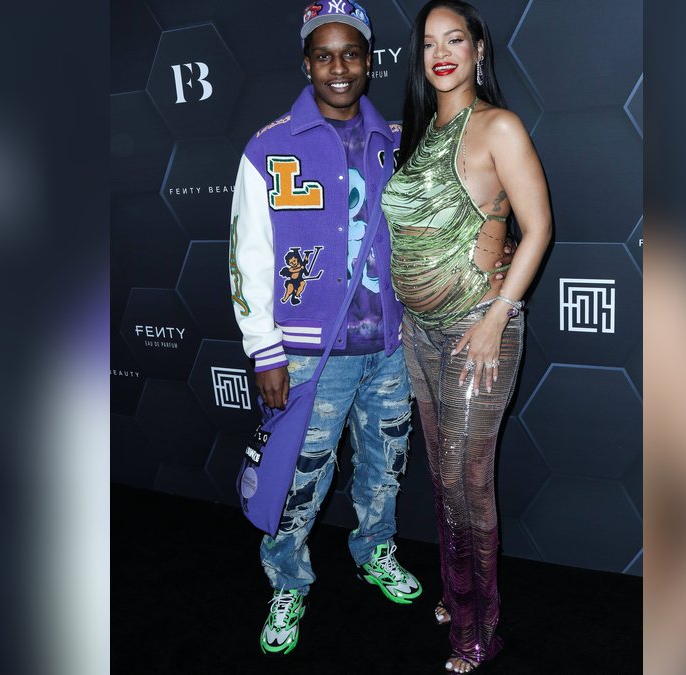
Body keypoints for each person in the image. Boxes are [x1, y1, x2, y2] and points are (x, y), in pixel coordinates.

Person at [228, 1, 422, 657]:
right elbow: (248, 258)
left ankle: (375, 551)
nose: (338, 68)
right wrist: (266, 352)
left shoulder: (398, 140)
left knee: (384, 468)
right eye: (324, 54)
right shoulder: (268, 145)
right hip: (312, 356)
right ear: (306, 61)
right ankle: (287, 581)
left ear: (370, 61)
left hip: (391, 350)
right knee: (297, 482)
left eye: (351, 54)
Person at [380, 1, 552, 671]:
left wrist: (497, 314)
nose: (441, 51)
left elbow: (537, 228)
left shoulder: (497, 127)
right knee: (442, 478)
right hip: (420, 334)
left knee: (465, 482)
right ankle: (458, 590)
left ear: (480, 48)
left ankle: (479, 624)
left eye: (455, 38)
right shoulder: (422, 133)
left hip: (477, 329)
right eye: (429, 42)